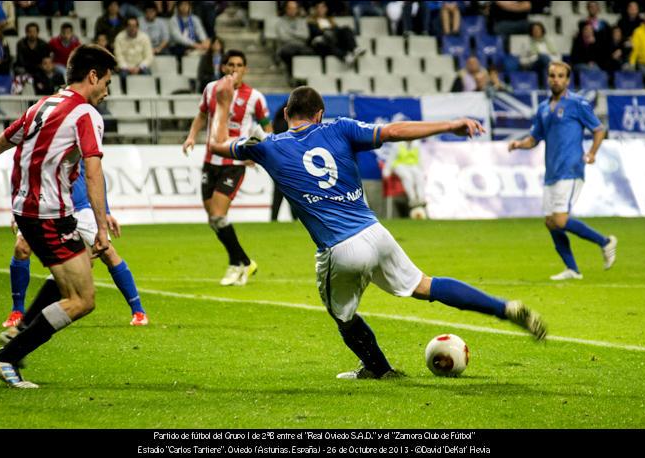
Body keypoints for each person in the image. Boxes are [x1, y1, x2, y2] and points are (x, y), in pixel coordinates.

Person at [208, 77, 547, 380]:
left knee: (341, 315)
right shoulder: (339, 127)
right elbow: (393, 132)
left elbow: (217, 144)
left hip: (339, 248)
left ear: (285, 115)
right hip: (375, 233)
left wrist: (223, 104)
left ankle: (379, 369)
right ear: (320, 113)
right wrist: (450, 125)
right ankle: (503, 308)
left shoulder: (267, 146)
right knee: (424, 284)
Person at [0, 44, 118, 388]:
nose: (107, 90)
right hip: (50, 215)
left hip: (26, 212)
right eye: (106, 81)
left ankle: (19, 333)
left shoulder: (41, 105)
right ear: (92, 76)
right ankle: (7, 357)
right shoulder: (86, 114)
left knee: (71, 280)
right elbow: (93, 171)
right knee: (82, 299)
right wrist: (102, 225)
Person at [2, 158, 149, 329]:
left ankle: (138, 311)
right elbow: (23, 173)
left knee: (107, 252)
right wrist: (18, 207)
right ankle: (17, 311)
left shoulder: (79, 135)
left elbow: (96, 174)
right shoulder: (35, 138)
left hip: (80, 207)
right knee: (21, 248)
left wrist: (106, 212)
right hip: (43, 206)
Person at [508, 61, 617, 281]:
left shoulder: (577, 104)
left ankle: (605, 242)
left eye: (560, 76)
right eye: (552, 75)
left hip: (571, 168)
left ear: (567, 80)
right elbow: (534, 138)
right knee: (550, 222)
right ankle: (573, 270)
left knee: (559, 220)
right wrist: (520, 144)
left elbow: (598, 129)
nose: (555, 79)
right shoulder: (543, 108)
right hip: (552, 172)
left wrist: (592, 153)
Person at [182, 50, 272, 286]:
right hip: (210, 160)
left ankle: (236, 264)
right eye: (230, 64)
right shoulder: (212, 89)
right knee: (213, 219)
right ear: (223, 68)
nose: (234, 69)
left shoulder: (255, 97)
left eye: (239, 65)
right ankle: (244, 261)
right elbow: (201, 115)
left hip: (234, 163)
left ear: (245, 69)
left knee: (219, 215)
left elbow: (267, 129)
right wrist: (192, 136)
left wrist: (261, 152)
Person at [276, 0, 314, 81]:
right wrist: (298, 35)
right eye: (290, 8)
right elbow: (283, 37)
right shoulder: (280, 22)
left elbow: (306, 35)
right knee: (289, 51)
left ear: (297, 9)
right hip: (286, 48)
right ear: (286, 9)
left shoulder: (302, 21)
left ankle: (303, 78)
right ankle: (292, 76)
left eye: (294, 8)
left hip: (301, 47)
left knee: (310, 52)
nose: (292, 10)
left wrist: (290, 32)